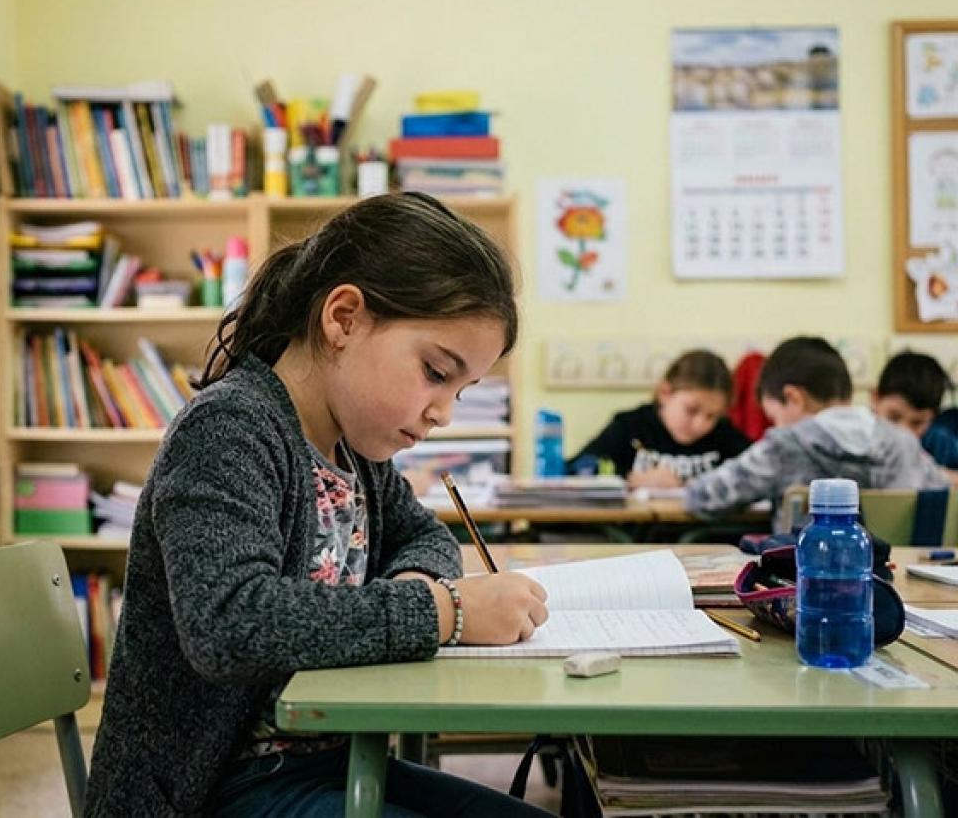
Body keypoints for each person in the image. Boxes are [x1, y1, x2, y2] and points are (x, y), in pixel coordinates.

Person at [84, 192, 553, 817]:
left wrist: (419, 585)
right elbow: (229, 624)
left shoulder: (354, 455)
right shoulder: (229, 429)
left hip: (323, 764)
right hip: (212, 793)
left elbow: (426, 537)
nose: (443, 412)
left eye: (461, 391)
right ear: (344, 318)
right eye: (437, 373)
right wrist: (444, 611)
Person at [686, 337, 950, 520]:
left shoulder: (785, 444)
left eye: (774, 416)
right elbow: (942, 488)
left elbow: (703, 497)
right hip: (898, 589)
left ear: (793, 398)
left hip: (807, 588)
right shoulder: (904, 443)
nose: (775, 425)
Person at [570, 349, 751, 488]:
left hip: (706, 534)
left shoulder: (725, 436)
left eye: (712, 416)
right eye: (691, 410)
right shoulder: (630, 426)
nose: (700, 424)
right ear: (665, 393)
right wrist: (631, 479)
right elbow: (576, 468)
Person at [872, 350, 958, 470]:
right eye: (894, 418)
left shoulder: (940, 443)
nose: (903, 432)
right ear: (875, 399)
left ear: (933, 419)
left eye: (917, 423)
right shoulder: (855, 438)